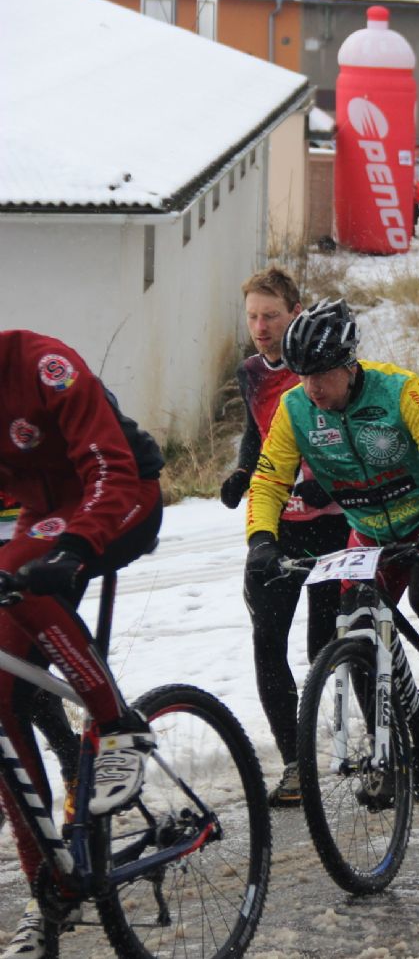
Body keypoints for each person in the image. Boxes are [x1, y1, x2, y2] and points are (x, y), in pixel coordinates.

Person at [246, 300, 419, 761]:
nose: (312, 388)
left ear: (349, 365)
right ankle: (397, 748)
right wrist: (261, 540)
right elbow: (268, 480)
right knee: (357, 630)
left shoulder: (398, 390)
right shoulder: (295, 410)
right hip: (368, 532)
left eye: (321, 374)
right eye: (302, 375)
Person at [0, 331, 166, 956]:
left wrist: (75, 546)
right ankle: (49, 886)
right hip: (43, 515)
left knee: (25, 567)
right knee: (3, 695)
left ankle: (117, 725)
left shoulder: (43, 364)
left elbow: (109, 467)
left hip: (124, 496)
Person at [218, 268, 347, 808]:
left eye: (271, 315)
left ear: (295, 311)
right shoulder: (251, 372)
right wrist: (242, 473)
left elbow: (342, 432)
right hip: (274, 528)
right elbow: (257, 430)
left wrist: (324, 487)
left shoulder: (315, 367)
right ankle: (295, 763)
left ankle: (344, 744)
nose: (261, 326)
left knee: (322, 644)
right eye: (252, 317)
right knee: (267, 641)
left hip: (330, 524)